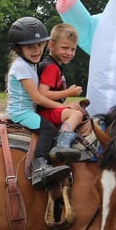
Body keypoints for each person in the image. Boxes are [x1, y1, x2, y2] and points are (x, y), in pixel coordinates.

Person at [6, 16, 79, 189]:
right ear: (18, 48)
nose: (37, 50)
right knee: (48, 130)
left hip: (26, 110)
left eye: (40, 45)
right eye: (30, 47)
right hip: (21, 113)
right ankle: (39, 166)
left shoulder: (30, 63)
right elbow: (38, 98)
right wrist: (63, 107)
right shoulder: (21, 67)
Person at [37, 23, 86, 160]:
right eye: (64, 48)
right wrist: (68, 93)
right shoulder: (52, 67)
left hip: (49, 109)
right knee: (76, 115)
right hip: (44, 112)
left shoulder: (55, 66)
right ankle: (61, 144)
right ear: (51, 45)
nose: (69, 53)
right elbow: (42, 93)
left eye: (73, 49)